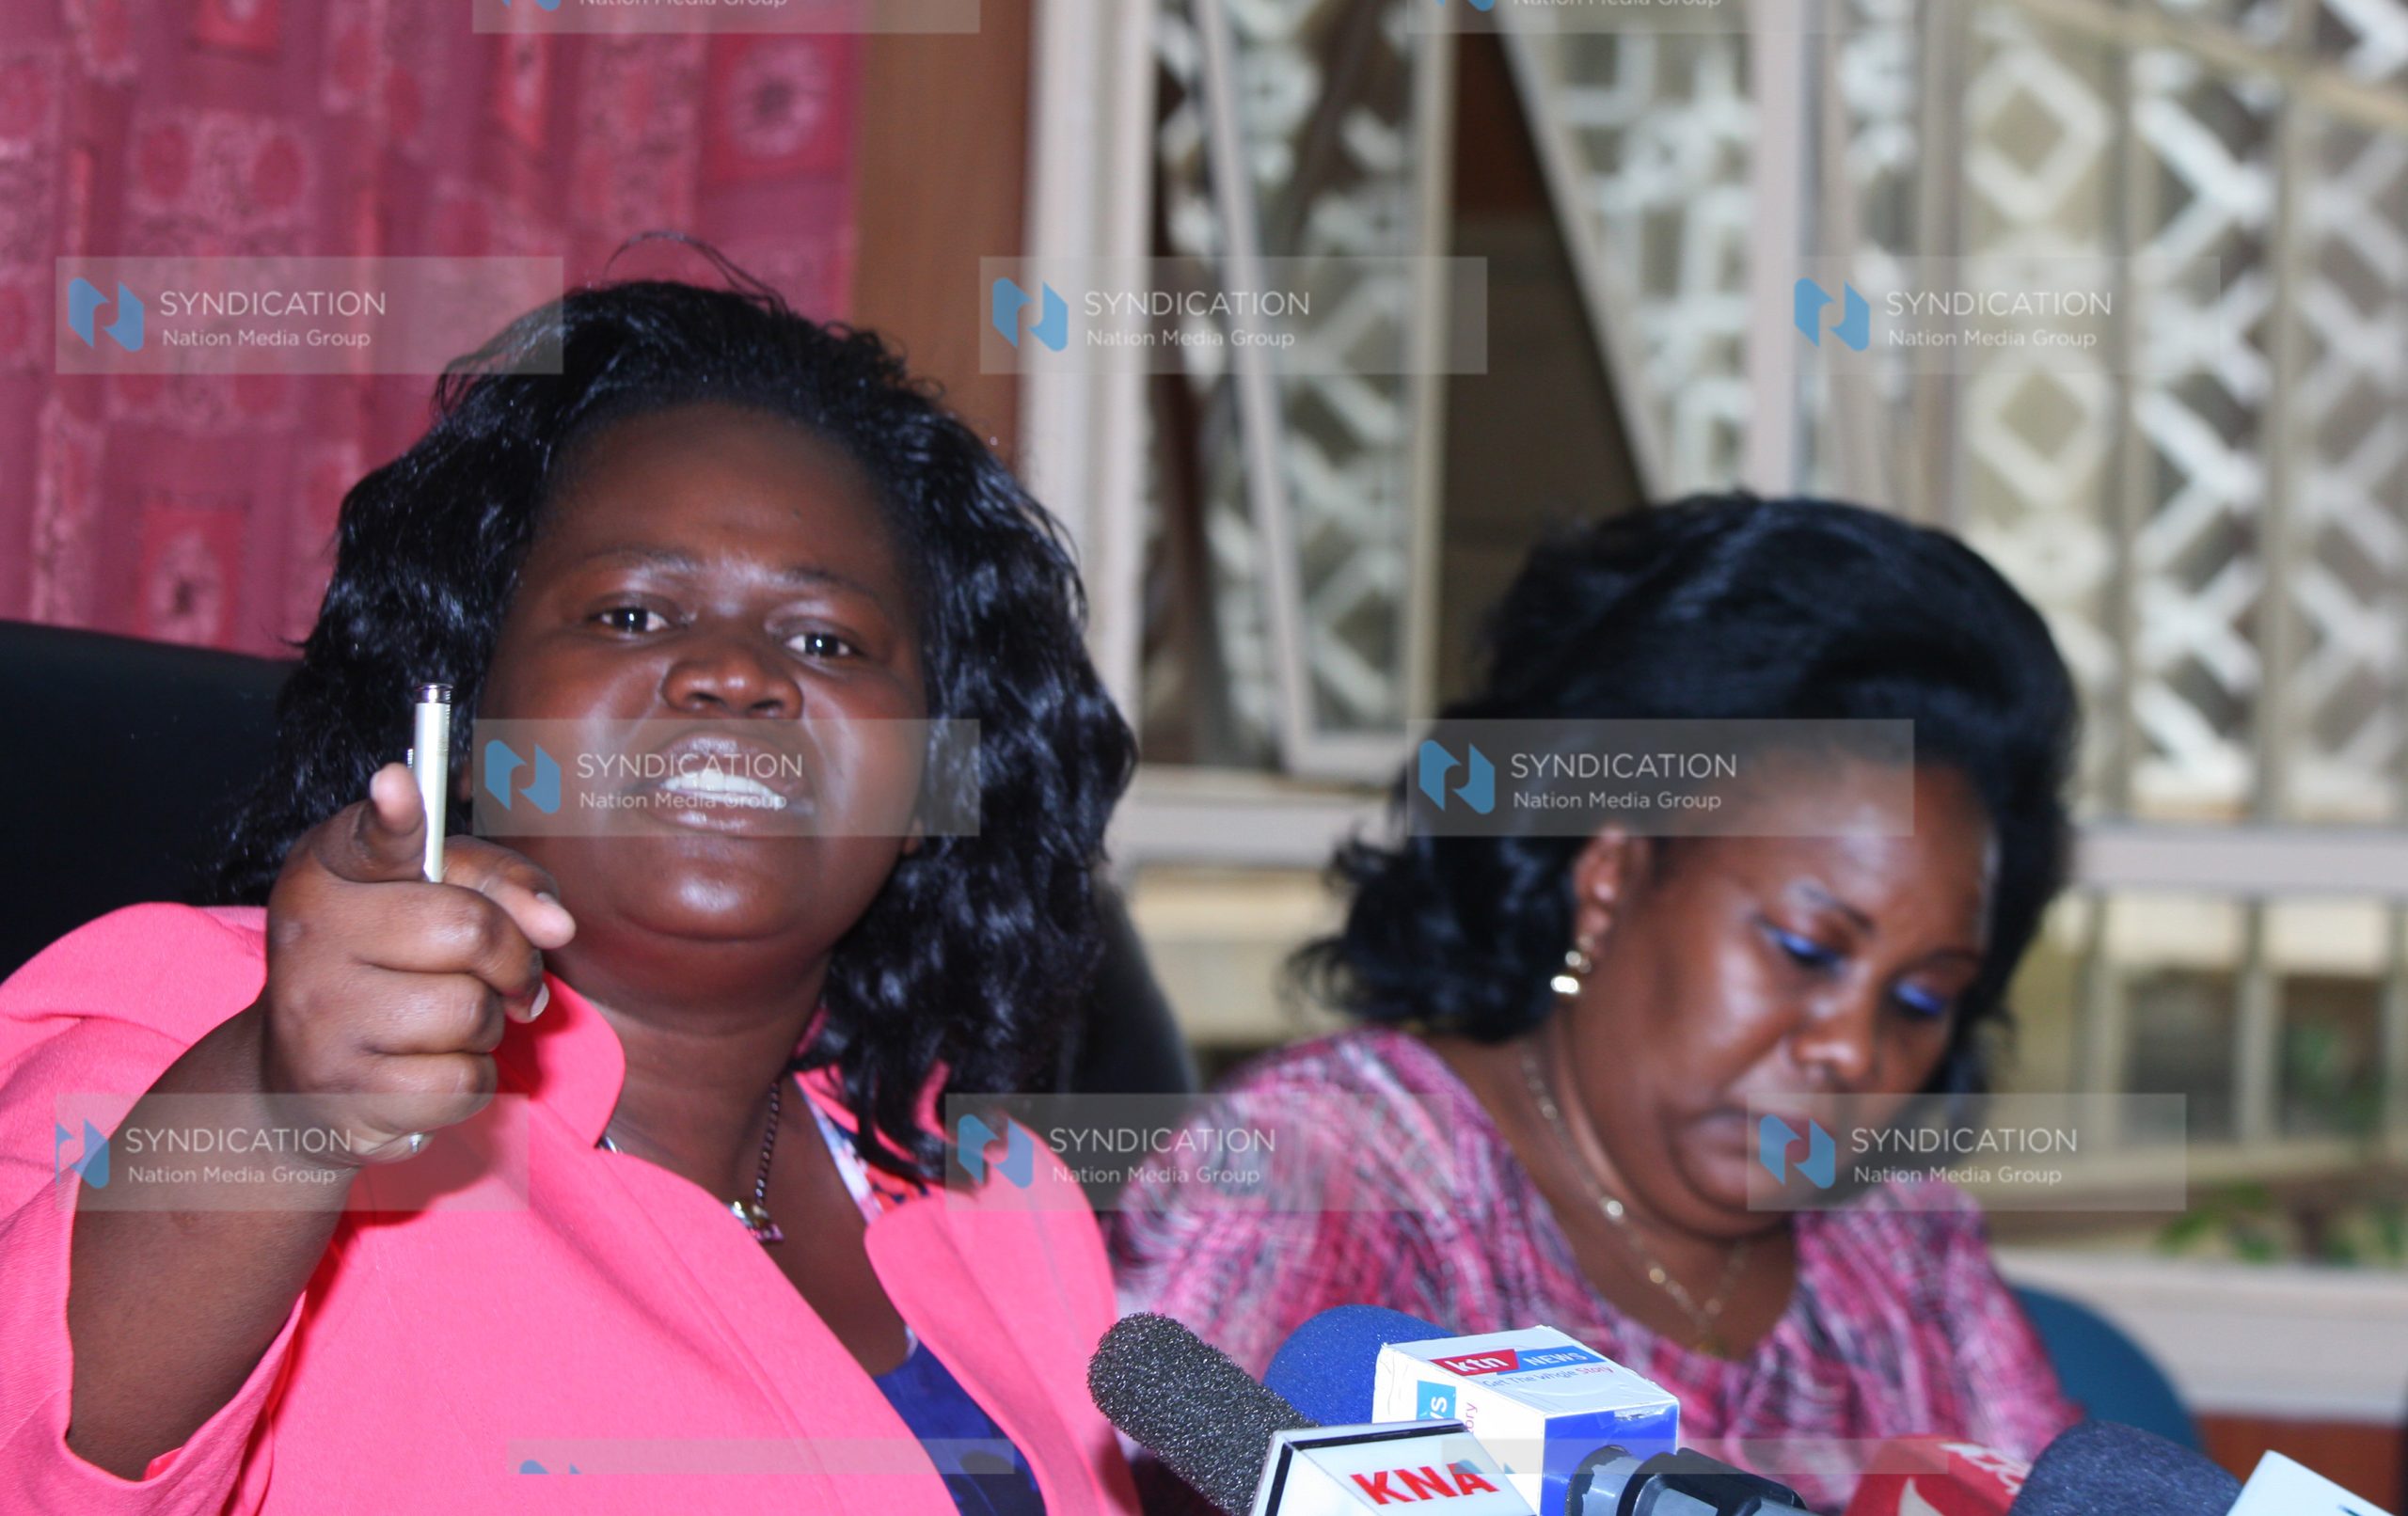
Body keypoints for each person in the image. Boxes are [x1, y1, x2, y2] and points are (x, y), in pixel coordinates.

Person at [0, 272, 1141, 1513]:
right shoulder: (216, 1032)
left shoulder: (994, 1193)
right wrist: (285, 1109)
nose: (730, 675)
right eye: (631, 612)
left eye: (825, 641)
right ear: (466, 714)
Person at [1111, 495, 2085, 1511]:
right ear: (1613, 874)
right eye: (1804, 950)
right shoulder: (1334, 1168)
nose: (1851, 1049)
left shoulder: (1897, 1241)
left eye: (1922, 1000)